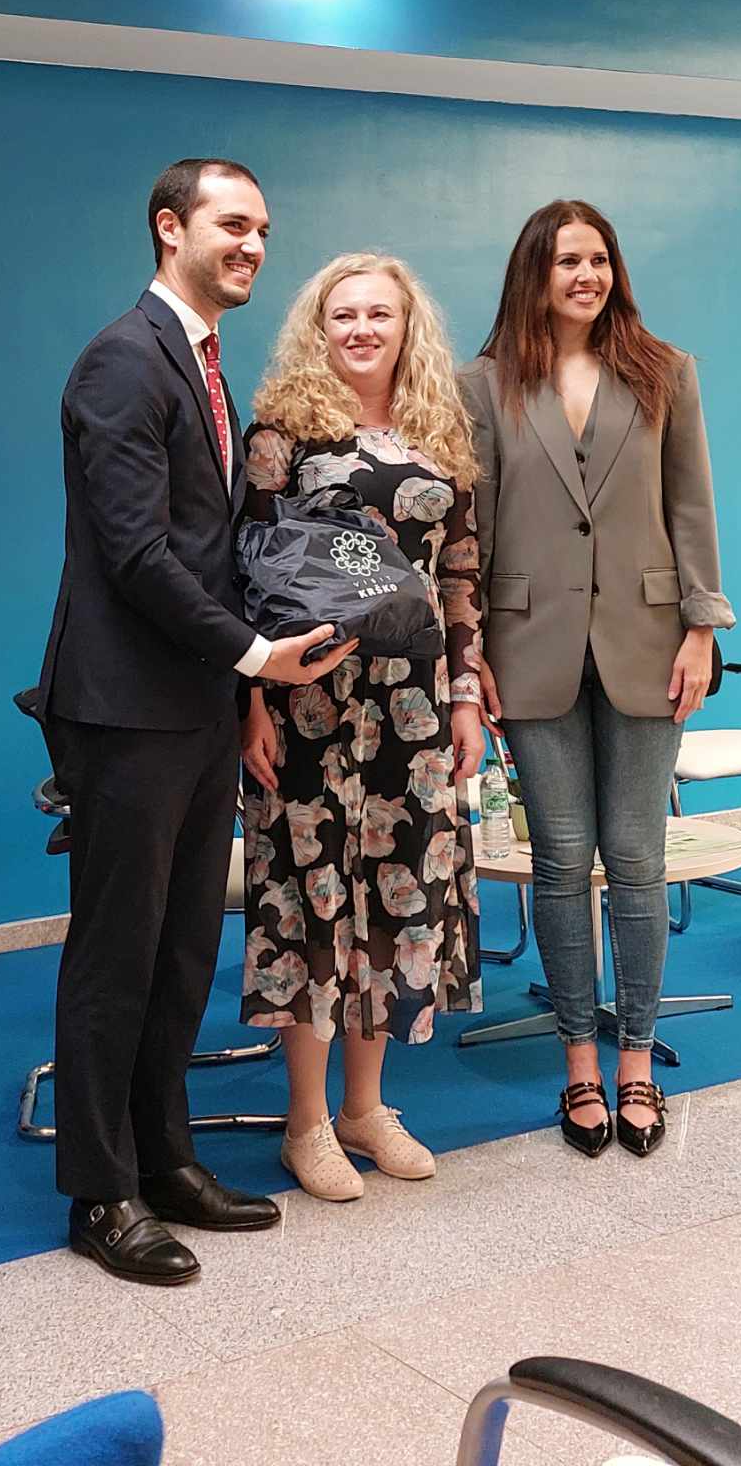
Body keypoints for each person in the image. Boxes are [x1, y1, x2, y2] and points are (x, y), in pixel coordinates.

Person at [35, 158, 355, 1285]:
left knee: (181, 953)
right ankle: (101, 1191)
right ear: (169, 227)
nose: (252, 244)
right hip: (126, 709)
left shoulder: (204, 363)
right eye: (231, 223)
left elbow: (211, 545)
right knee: (116, 955)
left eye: (262, 226)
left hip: (198, 704)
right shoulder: (125, 359)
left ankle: (165, 1158)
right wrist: (255, 655)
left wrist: (256, 664)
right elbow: (135, 553)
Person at [460, 201, 734, 1161]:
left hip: (651, 641)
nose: (587, 275)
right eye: (567, 260)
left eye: (600, 259)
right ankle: (578, 1060)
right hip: (526, 646)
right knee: (561, 859)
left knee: (638, 856)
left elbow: (691, 505)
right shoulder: (483, 384)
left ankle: (636, 1063)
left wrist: (702, 628)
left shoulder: (665, 371)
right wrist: (470, 652)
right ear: (533, 272)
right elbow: (472, 530)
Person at [240, 252, 485, 1201]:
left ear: (406, 325)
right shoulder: (282, 435)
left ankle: (364, 1108)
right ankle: (305, 1122)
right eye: (343, 314)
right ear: (319, 327)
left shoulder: (441, 429)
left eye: (380, 313)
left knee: (397, 894)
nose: (361, 329)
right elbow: (243, 572)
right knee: (311, 901)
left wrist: (466, 695)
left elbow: (460, 575)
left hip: (414, 706)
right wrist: (248, 702)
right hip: (308, 701)